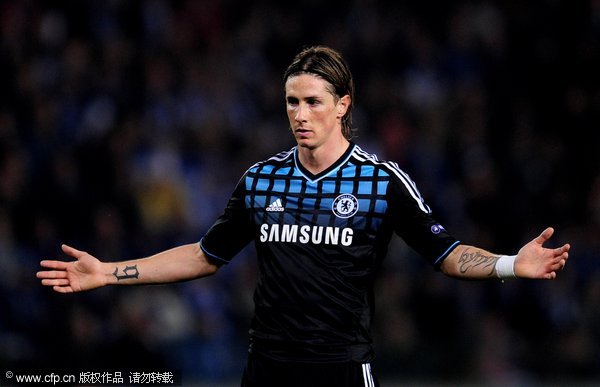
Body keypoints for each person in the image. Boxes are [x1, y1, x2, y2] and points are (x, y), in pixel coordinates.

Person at [37, 45, 570, 387]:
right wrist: (109, 272)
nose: (299, 113)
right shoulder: (260, 179)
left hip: (340, 369)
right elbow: (204, 256)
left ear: (343, 105)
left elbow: (447, 254)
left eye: (313, 101)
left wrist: (508, 264)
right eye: (291, 101)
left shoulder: (381, 181)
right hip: (266, 367)